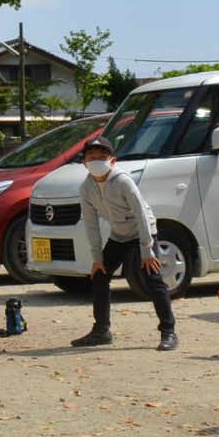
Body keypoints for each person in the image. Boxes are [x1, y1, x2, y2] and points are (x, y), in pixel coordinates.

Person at [69, 133, 177, 351]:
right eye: (91, 157)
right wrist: (97, 257)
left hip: (142, 233)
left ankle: (168, 332)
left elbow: (142, 214)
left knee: (153, 279)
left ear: (112, 160)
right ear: (84, 163)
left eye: (102, 156)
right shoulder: (86, 188)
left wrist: (147, 251)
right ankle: (101, 330)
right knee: (99, 277)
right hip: (119, 235)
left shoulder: (123, 181)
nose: (97, 160)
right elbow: (90, 223)